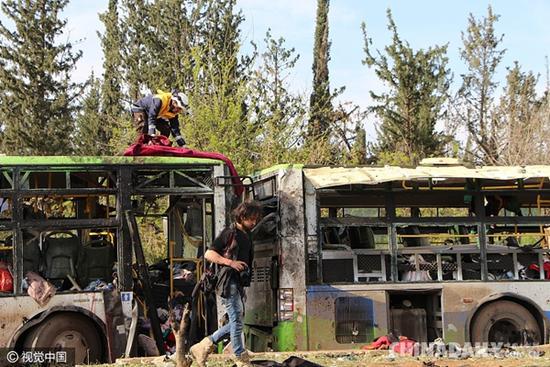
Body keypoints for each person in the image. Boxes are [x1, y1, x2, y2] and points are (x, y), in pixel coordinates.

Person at [190, 200, 263, 367]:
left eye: (256, 219)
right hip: (227, 282)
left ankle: (204, 345)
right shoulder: (229, 233)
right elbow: (209, 254)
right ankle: (240, 356)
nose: (254, 222)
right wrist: (231, 263)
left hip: (238, 283)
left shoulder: (246, 234)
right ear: (242, 216)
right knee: (237, 318)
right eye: (251, 219)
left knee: (236, 321)